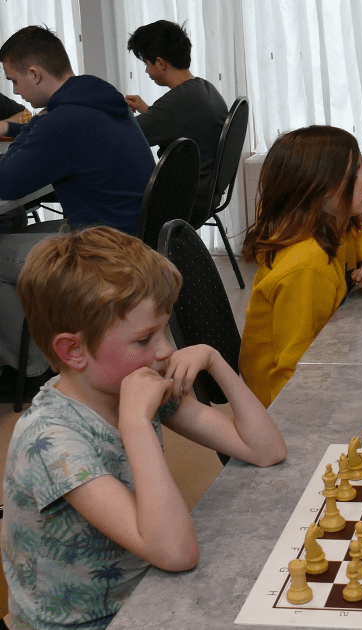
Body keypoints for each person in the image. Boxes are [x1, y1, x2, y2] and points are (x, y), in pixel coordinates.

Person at [2, 226, 287, 630]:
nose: (166, 350)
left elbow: (265, 450)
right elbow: (176, 553)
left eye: (165, 330)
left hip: (145, 594)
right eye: (144, 339)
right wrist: (135, 423)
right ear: (74, 350)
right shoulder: (51, 441)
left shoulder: (131, 385)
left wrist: (214, 359)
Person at [0, 26, 154, 396]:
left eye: (15, 81)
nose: (15, 92)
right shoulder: (97, 98)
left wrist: (29, 132)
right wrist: (19, 128)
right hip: (130, 235)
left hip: (102, 252)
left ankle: (29, 371)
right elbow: (48, 132)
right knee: (14, 228)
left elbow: (7, 183)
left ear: (35, 73)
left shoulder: (61, 122)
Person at [240, 126, 362, 407]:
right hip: (279, 405)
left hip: (325, 368)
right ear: (317, 192)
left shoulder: (337, 229)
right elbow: (292, 372)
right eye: (354, 174)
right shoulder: (308, 266)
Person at [125, 20, 229, 228]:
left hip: (182, 204)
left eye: (146, 63)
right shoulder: (203, 89)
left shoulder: (175, 104)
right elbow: (178, 121)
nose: (146, 71)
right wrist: (149, 111)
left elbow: (125, 137)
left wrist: (122, 112)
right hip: (205, 196)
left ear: (161, 63)